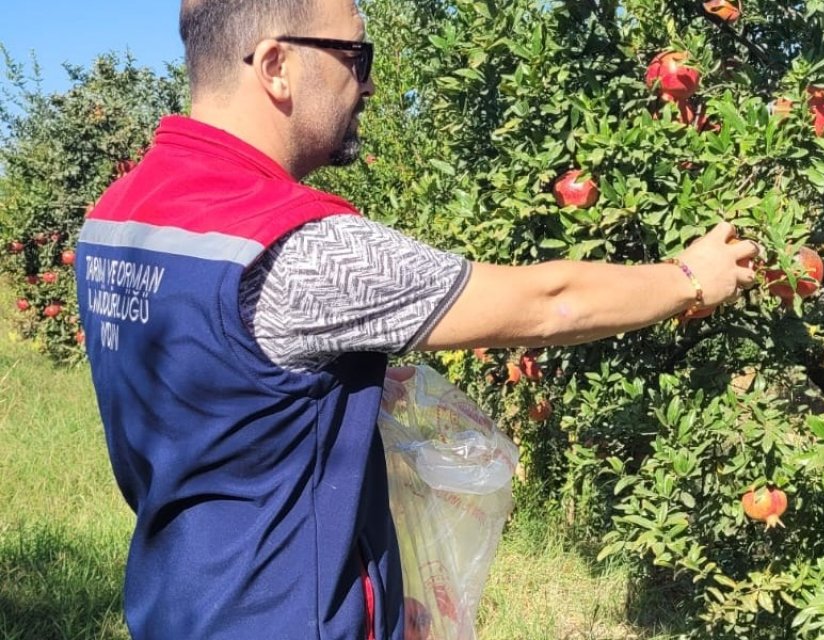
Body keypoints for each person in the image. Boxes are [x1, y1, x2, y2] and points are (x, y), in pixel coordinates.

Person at [73, 0, 758, 638]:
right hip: (294, 617)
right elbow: (549, 304)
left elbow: (219, 375)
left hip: (181, 601)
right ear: (277, 65)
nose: (368, 87)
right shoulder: (296, 246)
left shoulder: (118, 218)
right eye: (355, 58)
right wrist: (689, 279)